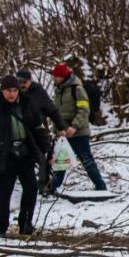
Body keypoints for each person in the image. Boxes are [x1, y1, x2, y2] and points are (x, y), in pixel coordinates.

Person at [0, 74, 45, 238]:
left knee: (31, 189)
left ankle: (25, 225)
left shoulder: (27, 105)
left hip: (25, 153)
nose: (11, 94)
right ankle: (1, 228)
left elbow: (38, 129)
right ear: (2, 91)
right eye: (8, 91)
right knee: (4, 193)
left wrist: (46, 151)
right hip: (4, 155)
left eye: (14, 90)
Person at [47, 62, 107, 194]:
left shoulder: (77, 89)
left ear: (62, 76)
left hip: (79, 132)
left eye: (56, 76)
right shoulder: (58, 90)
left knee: (86, 159)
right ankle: (52, 187)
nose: (53, 78)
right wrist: (58, 129)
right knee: (61, 160)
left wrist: (74, 126)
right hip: (63, 133)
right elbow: (57, 112)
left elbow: (84, 110)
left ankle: (100, 185)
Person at [15, 68, 66, 191]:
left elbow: (52, 110)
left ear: (30, 81)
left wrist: (61, 127)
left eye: (25, 82)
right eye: (20, 82)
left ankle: (43, 185)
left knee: (41, 159)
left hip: (38, 132)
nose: (22, 85)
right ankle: (29, 186)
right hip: (20, 133)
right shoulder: (14, 93)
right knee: (24, 161)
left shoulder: (38, 93)